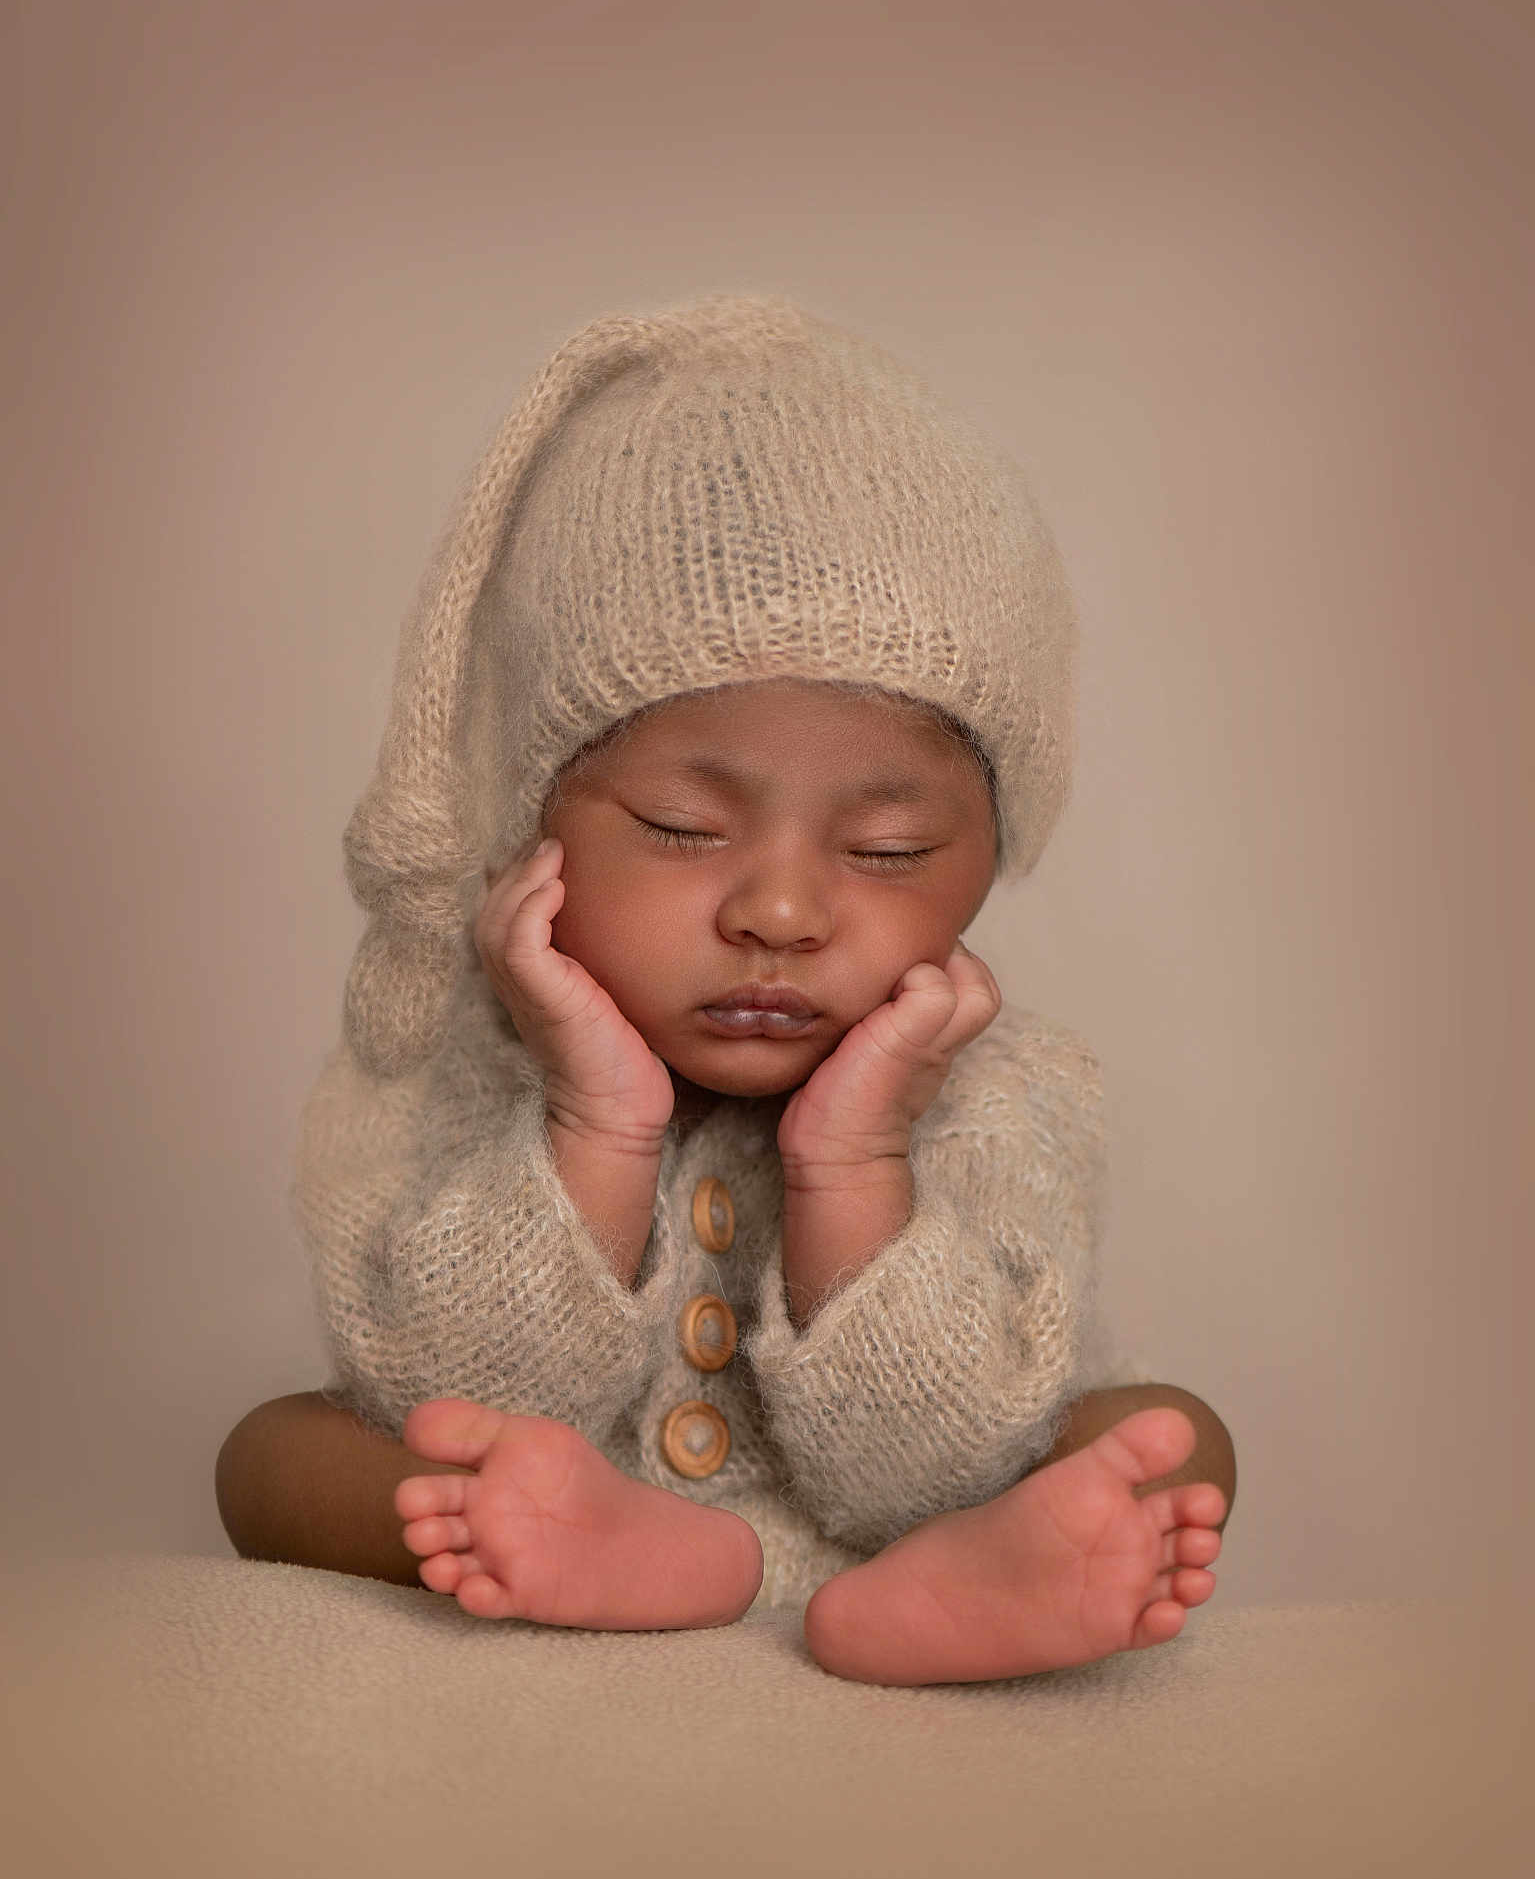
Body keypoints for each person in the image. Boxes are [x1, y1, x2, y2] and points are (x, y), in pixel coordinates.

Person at [216, 293, 1236, 1686]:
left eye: (890, 851)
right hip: (570, 1505)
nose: (779, 911)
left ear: (988, 863)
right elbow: (458, 1404)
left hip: (910, 1521)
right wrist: (596, 1124)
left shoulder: (1001, 1095)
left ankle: (948, 1591)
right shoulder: (473, 1056)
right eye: (686, 830)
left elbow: (919, 1458)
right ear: (536, 824)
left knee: (1172, 1431)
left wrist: (858, 1160)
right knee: (275, 1451)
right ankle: (621, 1556)